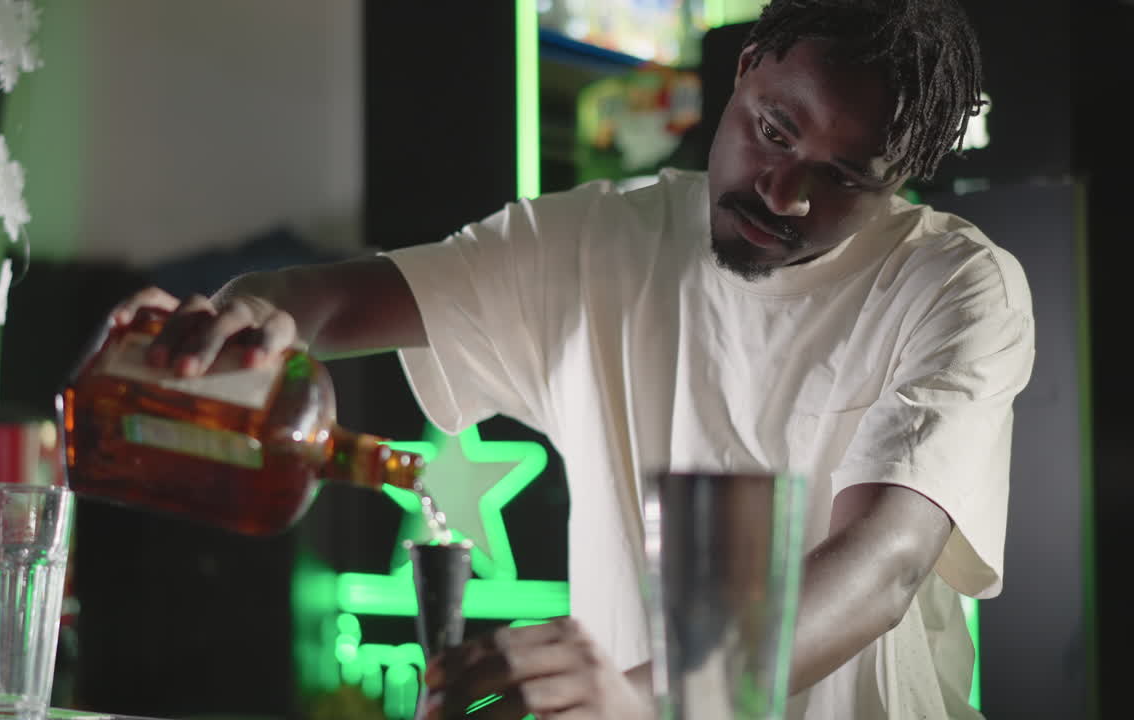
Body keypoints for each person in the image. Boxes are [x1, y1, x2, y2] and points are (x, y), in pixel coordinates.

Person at [110, 0, 1034, 717]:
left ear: (901, 179)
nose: (783, 195)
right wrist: (248, 320)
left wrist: (649, 697)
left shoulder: (959, 288)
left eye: (841, 179)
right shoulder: (600, 239)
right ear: (747, 69)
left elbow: (885, 562)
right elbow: (332, 297)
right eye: (775, 131)